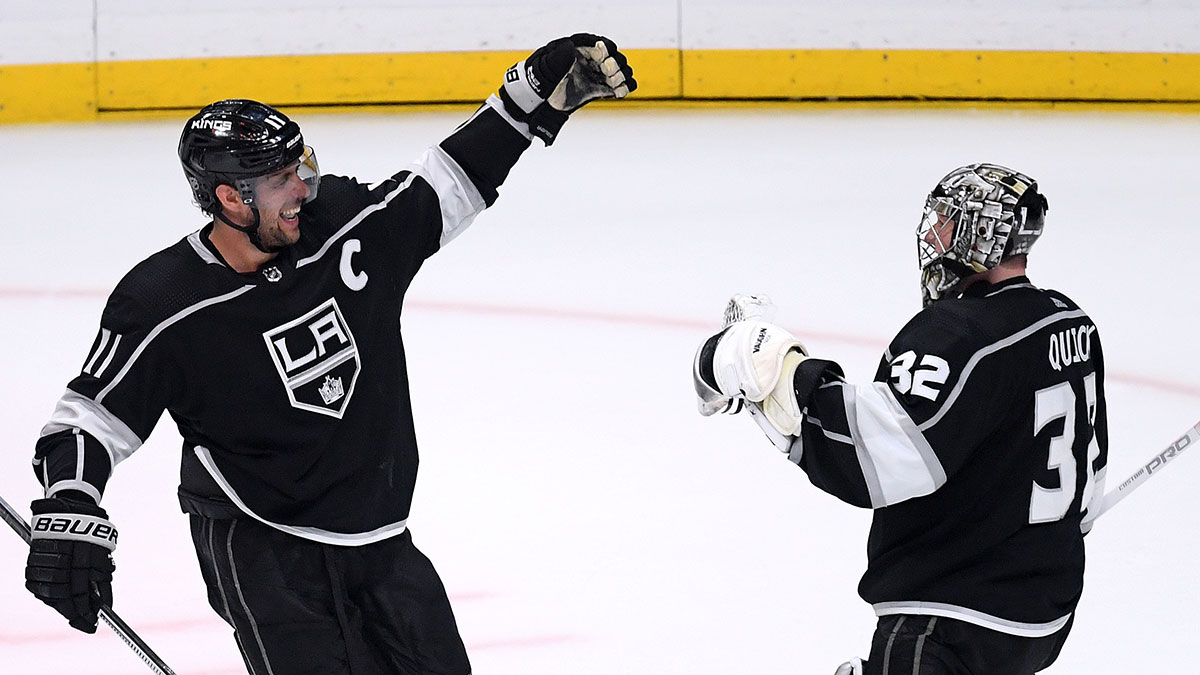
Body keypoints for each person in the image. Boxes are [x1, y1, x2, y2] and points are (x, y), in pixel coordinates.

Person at [23, 34, 635, 674]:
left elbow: (440, 192)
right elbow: (89, 419)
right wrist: (70, 502)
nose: (304, 188)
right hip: (264, 548)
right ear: (231, 198)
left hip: (380, 536)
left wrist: (523, 104)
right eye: (283, 179)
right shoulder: (165, 300)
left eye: (302, 166)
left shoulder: (335, 223)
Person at [692, 164, 1107, 675]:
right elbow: (1079, 477)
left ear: (981, 235)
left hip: (949, 620)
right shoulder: (1071, 322)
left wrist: (779, 369)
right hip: (1041, 616)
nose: (935, 236)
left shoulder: (958, 335)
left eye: (949, 223)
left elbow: (873, 456)